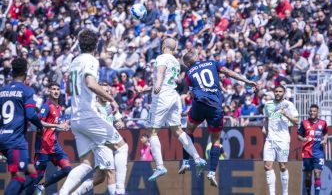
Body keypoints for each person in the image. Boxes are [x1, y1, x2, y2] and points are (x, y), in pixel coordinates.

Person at [59, 29, 127, 195]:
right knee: (122, 148)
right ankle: (119, 191)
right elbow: (90, 83)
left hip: (76, 118)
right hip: (88, 114)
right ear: (96, 45)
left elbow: (68, 88)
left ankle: (63, 193)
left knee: (86, 164)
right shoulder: (91, 60)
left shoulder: (74, 61)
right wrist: (111, 99)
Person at [181, 49, 258, 187]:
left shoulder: (189, 73)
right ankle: (211, 172)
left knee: (188, 131)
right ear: (197, 56)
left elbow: (191, 93)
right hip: (215, 106)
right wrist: (246, 81)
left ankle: (186, 162)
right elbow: (229, 73)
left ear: (188, 63)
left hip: (199, 104)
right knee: (216, 140)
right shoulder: (212, 63)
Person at [138, 38, 206, 182]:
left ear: (163, 46)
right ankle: (197, 158)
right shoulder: (175, 61)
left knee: (152, 132)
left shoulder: (161, 58)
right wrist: (149, 89)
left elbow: (161, 74)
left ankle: (160, 166)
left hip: (162, 97)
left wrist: (156, 85)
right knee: (178, 131)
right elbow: (170, 80)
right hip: (173, 97)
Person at [72, 82, 128, 195]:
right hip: (100, 143)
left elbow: (119, 120)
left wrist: (120, 122)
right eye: (103, 91)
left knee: (99, 177)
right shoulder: (93, 107)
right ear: (97, 93)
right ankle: (119, 192)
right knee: (111, 172)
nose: (106, 93)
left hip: (107, 141)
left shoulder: (109, 106)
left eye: (108, 92)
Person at [0, 58, 44, 195]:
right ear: (25, 73)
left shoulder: (2, 90)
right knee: (20, 177)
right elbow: (31, 114)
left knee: (31, 173)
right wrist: (40, 126)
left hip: (4, 137)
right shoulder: (26, 90)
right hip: (16, 140)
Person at [27, 83, 71, 195]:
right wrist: (57, 126)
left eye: (57, 89)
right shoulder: (47, 106)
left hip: (54, 145)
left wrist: (65, 124)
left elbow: (58, 123)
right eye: (53, 89)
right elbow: (39, 122)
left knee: (67, 169)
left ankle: (42, 186)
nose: (56, 91)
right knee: (38, 176)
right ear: (49, 91)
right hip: (43, 146)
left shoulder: (59, 108)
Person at [263, 85, 299, 195]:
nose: (278, 93)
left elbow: (296, 122)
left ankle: (285, 193)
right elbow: (266, 118)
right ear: (274, 92)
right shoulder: (268, 104)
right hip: (270, 140)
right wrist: (264, 127)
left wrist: (287, 114)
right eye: (276, 91)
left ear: (284, 93)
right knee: (267, 166)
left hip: (283, 141)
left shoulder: (289, 105)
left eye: (280, 91)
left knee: (282, 166)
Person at [298, 104, 328, 195]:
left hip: (318, 152)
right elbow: (299, 135)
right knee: (308, 175)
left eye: (314, 111)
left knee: (317, 173)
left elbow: (326, 133)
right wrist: (303, 139)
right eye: (311, 111)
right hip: (307, 152)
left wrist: (325, 139)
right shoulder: (304, 123)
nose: (312, 113)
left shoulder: (323, 123)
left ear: (317, 112)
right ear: (308, 112)